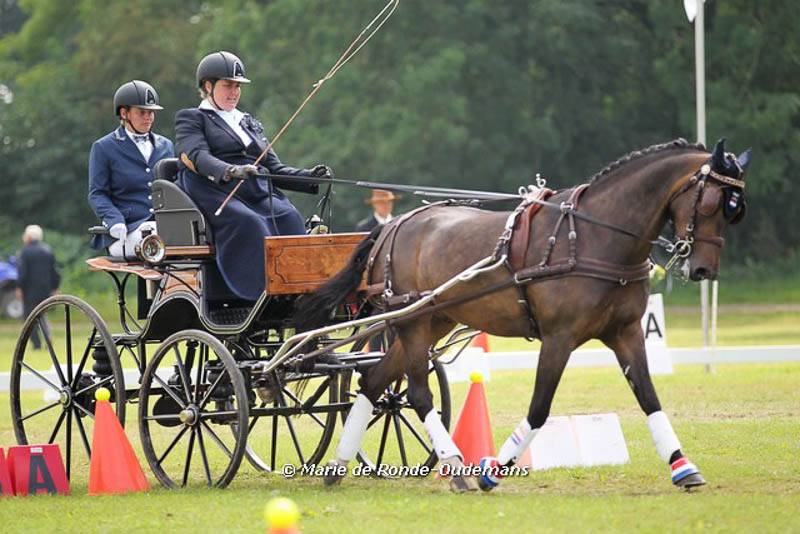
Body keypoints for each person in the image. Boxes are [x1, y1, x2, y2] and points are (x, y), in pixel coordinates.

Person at [175, 51, 332, 301]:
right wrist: (230, 171)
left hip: (255, 191)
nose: (234, 92)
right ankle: (261, 293)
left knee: (289, 216)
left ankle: (298, 288)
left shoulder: (247, 122)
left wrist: (309, 177)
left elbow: (274, 169)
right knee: (251, 223)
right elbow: (197, 156)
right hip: (216, 191)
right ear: (208, 85)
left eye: (238, 86)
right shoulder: (192, 118)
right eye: (228, 85)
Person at [88, 80, 174, 258]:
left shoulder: (166, 145)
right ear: (124, 113)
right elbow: (97, 193)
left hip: (162, 225)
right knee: (156, 240)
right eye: (142, 112)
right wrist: (114, 220)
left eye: (151, 112)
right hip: (126, 229)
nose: (148, 117)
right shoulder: (104, 147)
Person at [16, 225, 60, 350]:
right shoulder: (47, 250)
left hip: (29, 290)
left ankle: (36, 344)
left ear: (29, 237)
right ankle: (48, 337)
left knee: (29, 317)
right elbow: (54, 272)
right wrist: (55, 287)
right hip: (45, 289)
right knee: (42, 314)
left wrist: (19, 287)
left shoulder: (25, 252)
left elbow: (22, 272)